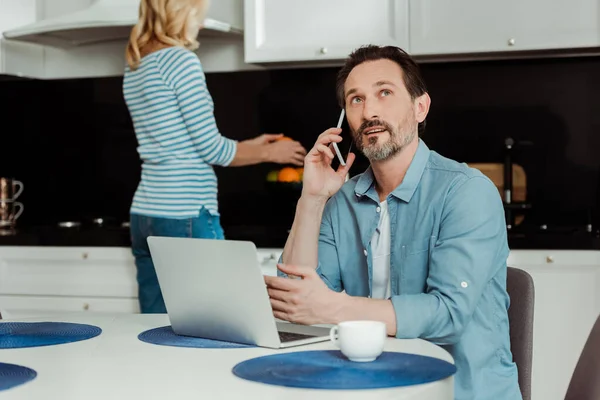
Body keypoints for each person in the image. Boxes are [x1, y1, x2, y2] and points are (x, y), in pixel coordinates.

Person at [264, 45, 522, 400]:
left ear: (420, 107)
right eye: (356, 100)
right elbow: (293, 301)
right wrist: (312, 199)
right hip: (368, 388)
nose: (369, 111)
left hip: (458, 392)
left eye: (384, 93)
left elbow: (448, 313)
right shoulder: (341, 200)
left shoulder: (466, 192)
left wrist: (332, 307)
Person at [123, 0, 307, 314]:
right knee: (213, 317)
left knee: (153, 323)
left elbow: (179, 144)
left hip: (145, 213)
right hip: (185, 212)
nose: (203, 23)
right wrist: (269, 152)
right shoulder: (181, 61)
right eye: (200, 14)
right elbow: (213, 150)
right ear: (183, 10)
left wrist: (251, 144)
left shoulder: (136, 66)